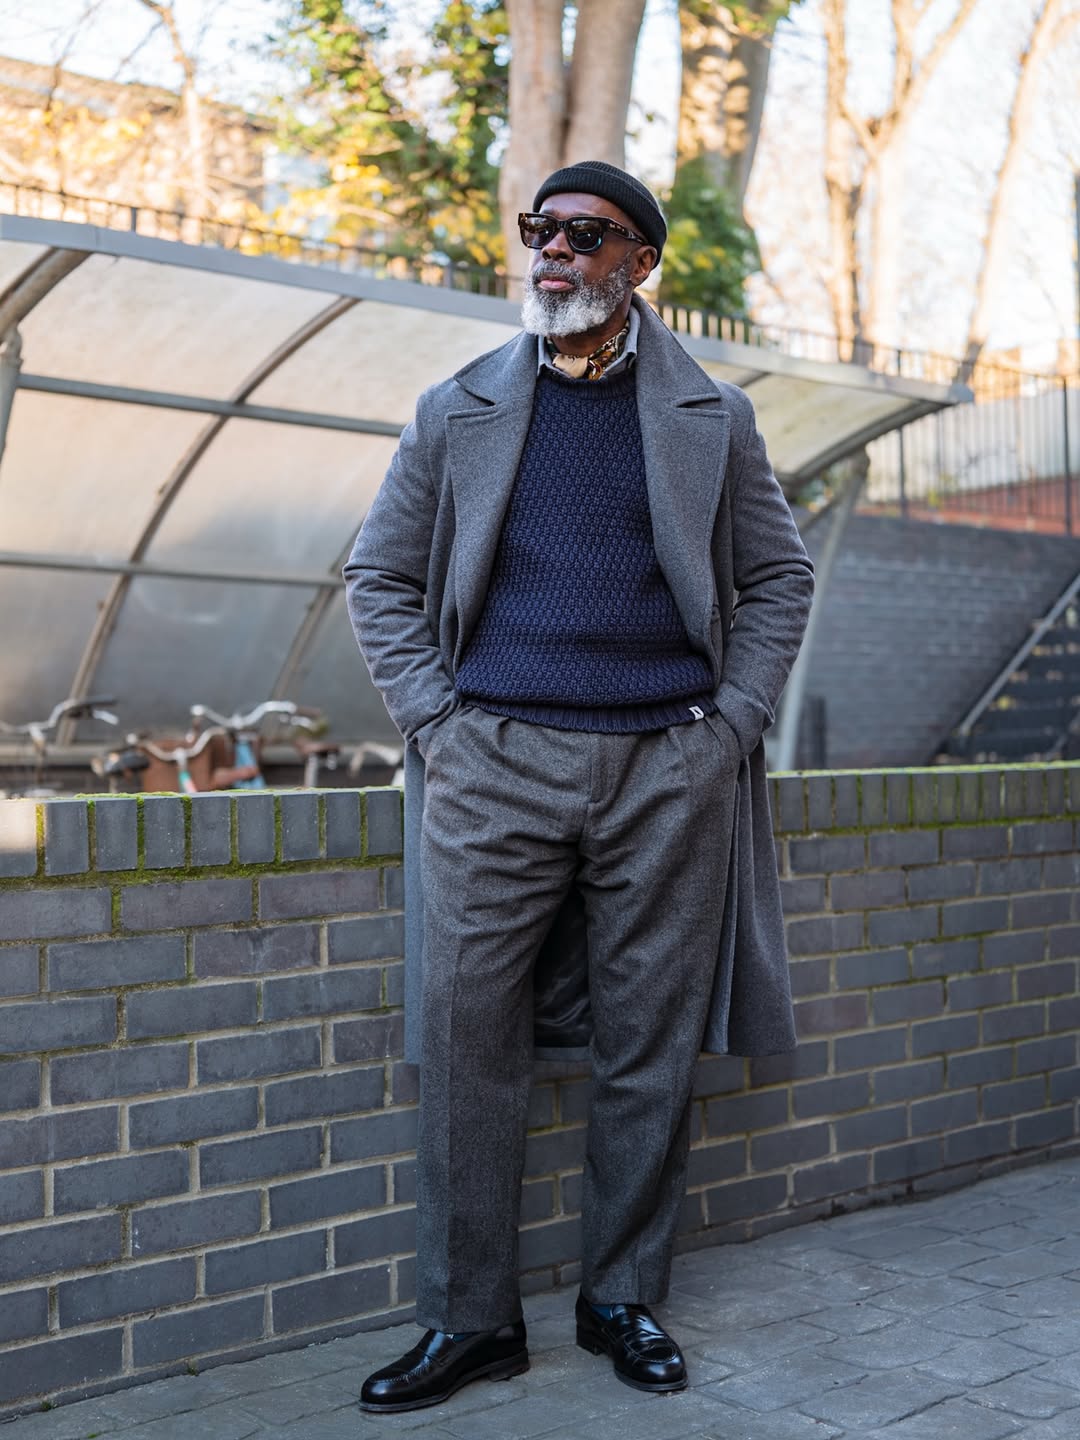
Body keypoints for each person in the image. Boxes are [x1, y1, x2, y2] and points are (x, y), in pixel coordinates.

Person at [344, 159, 814, 1413]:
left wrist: (730, 728)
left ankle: (621, 1298)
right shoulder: (457, 409)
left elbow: (779, 577)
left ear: (639, 263)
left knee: (648, 1045)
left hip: (671, 766)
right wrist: (439, 723)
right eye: (539, 230)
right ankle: (471, 1321)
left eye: (585, 234)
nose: (553, 251)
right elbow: (376, 576)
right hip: (492, 765)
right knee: (467, 1036)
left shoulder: (715, 415)